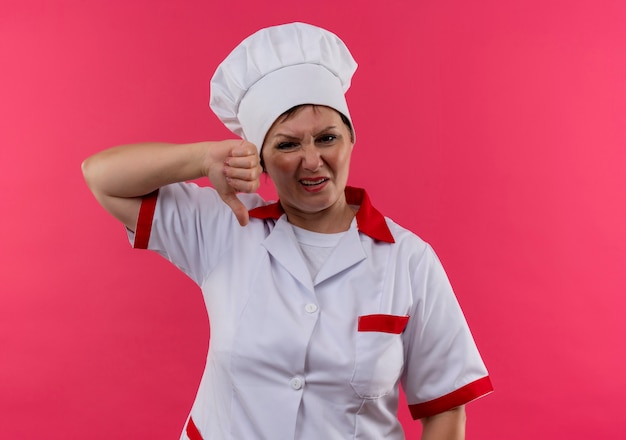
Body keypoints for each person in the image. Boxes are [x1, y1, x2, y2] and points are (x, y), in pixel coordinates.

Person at [82, 22, 493, 440]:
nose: (312, 161)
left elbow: (446, 407)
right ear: (258, 158)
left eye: (327, 138)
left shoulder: (409, 260)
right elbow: (101, 176)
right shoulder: (227, 226)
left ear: (351, 140)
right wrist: (205, 158)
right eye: (287, 145)